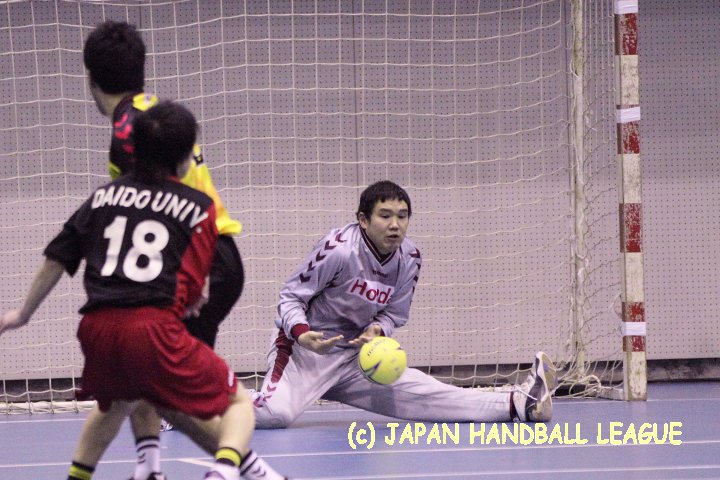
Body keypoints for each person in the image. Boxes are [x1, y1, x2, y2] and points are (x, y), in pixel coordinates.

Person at [0, 102, 285, 480]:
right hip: (150, 329)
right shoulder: (198, 207)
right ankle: (225, 471)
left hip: (95, 331)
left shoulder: (102, 197)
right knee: (238, 401)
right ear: (185, 159)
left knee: (119, 401)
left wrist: (21, 314)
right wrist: (188, 304)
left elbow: (56, 258)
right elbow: (194, 287)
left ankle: (120, 472)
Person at [252, 180, 557, 428]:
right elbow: (290, 297)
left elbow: (394, 314)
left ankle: (521, 403)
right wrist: (302, 334)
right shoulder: (339, 250)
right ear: (363, 220)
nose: (395, 225)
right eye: (385, 216)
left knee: (431, 395)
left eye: (402, 216)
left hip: (356, 360)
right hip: (305, 355)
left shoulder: (409, 258)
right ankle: (223, 398)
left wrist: (377, 329)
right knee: (274, 414)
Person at [82, 20, 245, 479]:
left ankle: (248, 469)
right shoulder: (154, 112)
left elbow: (153, 213)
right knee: (143, 369)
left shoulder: (128, 135)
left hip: (201, 259)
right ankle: (150, 467)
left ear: (90, 78)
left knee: (172, 388)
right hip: (208, 255)